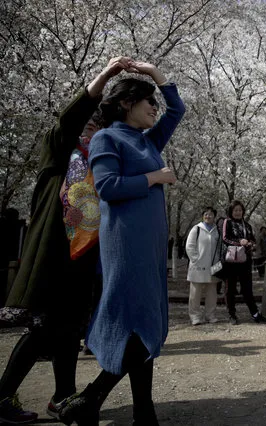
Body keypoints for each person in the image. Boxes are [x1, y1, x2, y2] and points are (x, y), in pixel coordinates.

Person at [0, 57, 130, 425]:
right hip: (52, 255)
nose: (91, 128)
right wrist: (105, 76)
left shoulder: (98, 161)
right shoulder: (58, 155)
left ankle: (62, 395)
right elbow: (69, 119)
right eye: (87, 123)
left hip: (82, 259)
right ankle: (2, 394)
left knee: (69, 329)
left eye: (97, 125)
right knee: (43, 329)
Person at [58, 61, 186, 426]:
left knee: (143, 323)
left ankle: (136, 411)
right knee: (133, 323)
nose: (155, 108)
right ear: (128, 103)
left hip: (149, 248)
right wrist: (154, 177)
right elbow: (108, 188)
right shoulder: (106, 138)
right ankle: (92, 399)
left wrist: (155, 73)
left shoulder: (147, 140)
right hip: (125, 246)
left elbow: (178, 108)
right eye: (149, 101)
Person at [222, 200, 266, 325]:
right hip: (231, 261)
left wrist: (251, 244)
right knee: (230, 288)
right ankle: (231, 314)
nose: (238, 212)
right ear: (231, 211)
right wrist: (239, 242)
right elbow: (225, 238)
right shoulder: (227, 222)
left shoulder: (247, 225)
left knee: (247, 288)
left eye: (240, 210)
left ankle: (255, 314)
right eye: (235, 210)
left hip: (245, 261)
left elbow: (253, 240)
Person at [186, 207, 223, 325]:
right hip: (198, 266)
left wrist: (219, 261)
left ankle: (210, 315)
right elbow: (189, 246)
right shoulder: (196, 229)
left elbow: (220, 247)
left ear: (214, 216)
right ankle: (195, 316)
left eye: (211, 214)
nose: (208, 216)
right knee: (195, 293)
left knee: (212, 292)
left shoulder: (217, 230)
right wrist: (195, 259)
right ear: (203, 216)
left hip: (213, 266)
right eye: (206, 214)